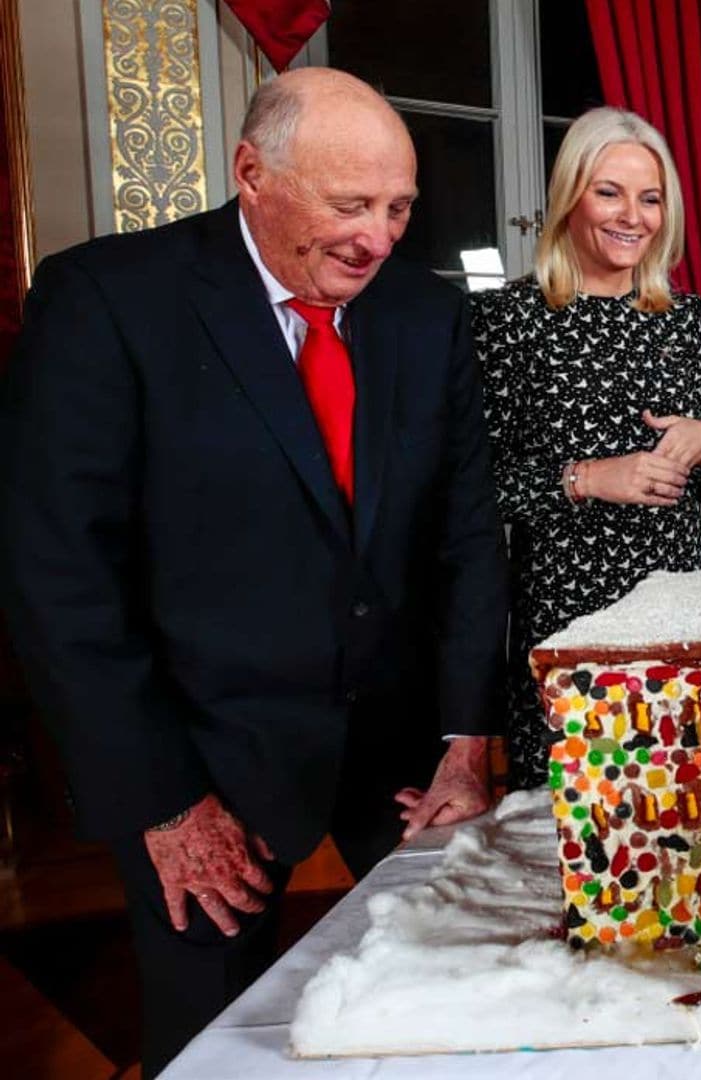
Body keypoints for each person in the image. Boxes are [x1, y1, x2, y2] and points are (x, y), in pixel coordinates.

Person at [0, 68, 508, 1071]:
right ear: (252, 174)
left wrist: (466, 738)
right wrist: (160, 798)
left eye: (399, 208)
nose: (380, 237)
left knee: (451, 1001)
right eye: (350, 204)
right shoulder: (108, 298)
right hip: (202, 759)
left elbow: (465, 536)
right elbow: (59, 574)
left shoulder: (426, 315)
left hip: (401, 751)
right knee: (208, 1043)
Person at [473, 107, 701, 791]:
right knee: (579, 829)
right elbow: (480, 484)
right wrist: (587, 477)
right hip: (568, 615)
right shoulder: (510, 318)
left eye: (650, 198)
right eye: (609, 191)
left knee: (683, 808)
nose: (633, 216)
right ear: (570, 197)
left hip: (678, 608)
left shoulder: (685, 319)